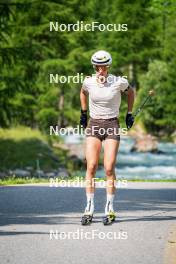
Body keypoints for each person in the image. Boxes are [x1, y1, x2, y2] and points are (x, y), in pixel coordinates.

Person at [80, 50, 134, 225]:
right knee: (92, 166)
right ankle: (89, 208)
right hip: (94, 124)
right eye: (98, 67)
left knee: (109, 168)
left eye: (104, 67)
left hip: (112, 125)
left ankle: (110, 208)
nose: (101, 70)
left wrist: (129, 113)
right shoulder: (88, 82)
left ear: (108, 66)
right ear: (94, 67)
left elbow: (131, 92)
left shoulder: (119, 82)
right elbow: (82, 92)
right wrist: (83, 113)